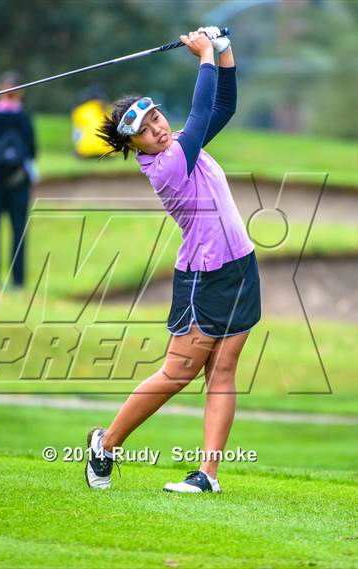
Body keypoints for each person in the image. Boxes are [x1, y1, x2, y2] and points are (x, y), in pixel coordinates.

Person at [86, 28, 262, 493]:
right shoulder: (165, 166)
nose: (158, 129)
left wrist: (224, 53)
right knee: (179, 373)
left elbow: (222, 108)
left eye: (157, 118)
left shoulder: (184, 142)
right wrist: (203, 55)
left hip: (240, 267)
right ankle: (106, 445)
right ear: (134, 146)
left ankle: (208, 476)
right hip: (202, 276)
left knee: (223, 371)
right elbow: (203, 109)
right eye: (145, 131)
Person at [0, 71, 37, 288]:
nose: (10, 93)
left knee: (18, 232)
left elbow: (31, 151)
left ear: (21, 92)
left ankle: (17, 281)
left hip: (16, 183)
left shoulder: (23, 118)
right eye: (7, 88)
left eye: (13, 89)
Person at [71, 86, 111, 158]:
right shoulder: (107, 109)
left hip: (85, 153)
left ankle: (82, 150)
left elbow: (76, 134)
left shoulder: (80, 110)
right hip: (106, 153)